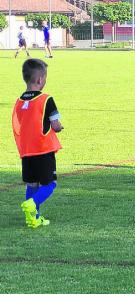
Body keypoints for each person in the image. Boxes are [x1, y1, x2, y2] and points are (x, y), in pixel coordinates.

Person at [12, 59, 63, 228]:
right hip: (43, 150)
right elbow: (55, 125)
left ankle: (33, 218)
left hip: (27, 152)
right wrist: (59, 127)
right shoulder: (46, 99)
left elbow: (20, 125)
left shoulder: (19, 101)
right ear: (40, 80)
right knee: (49, 184)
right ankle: (32, 204)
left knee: (32, 185)